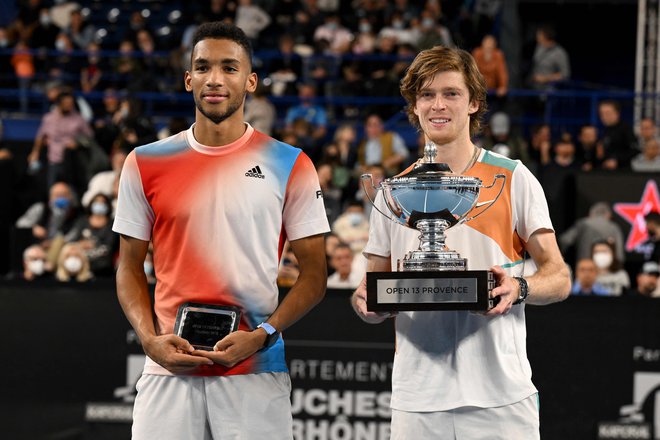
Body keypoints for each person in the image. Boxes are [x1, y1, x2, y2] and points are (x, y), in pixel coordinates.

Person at [112, 22, 329, 439]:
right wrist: (148, 339)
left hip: (255, 369)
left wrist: (262, 336)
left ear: (250, 81)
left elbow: (315, 276)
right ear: (188, 78)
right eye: (204, 67)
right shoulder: (144, 162)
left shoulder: (291, 163)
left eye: (229, 68)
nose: (215, 79)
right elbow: (129, 266)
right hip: (168, 369)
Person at [350, 45, 571, 439]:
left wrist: (519, 288)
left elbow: (559, 277)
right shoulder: (392, 193)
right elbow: (375, 288)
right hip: (417, 400)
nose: (438, 105)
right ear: (414, 106)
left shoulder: (512, 177)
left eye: (451, 93)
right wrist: (366, 303)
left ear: (474, 103)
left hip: (501, 397)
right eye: (427, 94)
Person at [560, 201, 625, 264]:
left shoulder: (583, 223)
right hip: (606, 269)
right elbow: (619, 255)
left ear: (591, 213)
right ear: (609, 215)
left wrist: (560, 258)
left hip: (585, 266)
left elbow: (564, 240)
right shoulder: (614, 228)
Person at [598, 100, 637, 170]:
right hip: (607, 171)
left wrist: (617, 160)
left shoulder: (626, 129)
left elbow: (634, 150)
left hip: (623, 172)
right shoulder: (605, 130)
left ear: (617, 113)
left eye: (607, 113)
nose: (604, 116)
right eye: (602, 114)